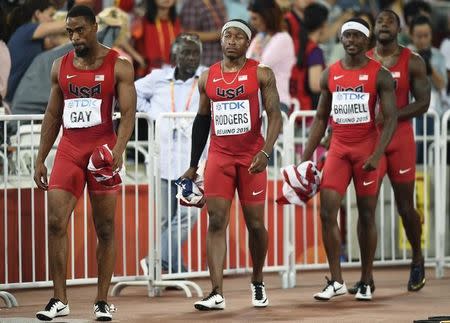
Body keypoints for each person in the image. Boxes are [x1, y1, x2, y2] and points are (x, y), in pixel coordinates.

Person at [33, 5, 136, 321]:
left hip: (100, 153)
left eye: (79, 30)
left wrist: (119, 148)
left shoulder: (119, 65)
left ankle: (102, 300)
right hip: (69, 151)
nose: (74, 37)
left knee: (104, 228)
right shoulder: (59, 66)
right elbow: (53, 115)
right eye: (69, 32)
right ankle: (59, 299)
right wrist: (41, 157)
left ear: (94, 27)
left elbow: (128, 113)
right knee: (55, 223)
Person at [182, 19, 282, 310]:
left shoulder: (261, 74)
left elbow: (275, 115)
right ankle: (216, 291)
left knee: (255, 224)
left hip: (251, 159)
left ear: (247, 43)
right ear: (221, 40)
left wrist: (265, 152)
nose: (232, 41)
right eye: (228, 36)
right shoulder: (208, 77)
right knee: (215, 222)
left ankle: (258, 280)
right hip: (220, 158)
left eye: (239, 37)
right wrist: (192, 164)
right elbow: (202, 120)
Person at [301, 18, 397, 301]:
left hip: (367, 150)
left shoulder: (380, 75)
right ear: (341, 40)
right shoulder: (329, 74)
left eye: (357, 36)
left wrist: (378, 154)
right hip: (339, 150)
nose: (351, 40)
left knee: (366, 215)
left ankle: (366, 280)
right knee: (327, 212)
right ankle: (336, 281)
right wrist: (305, 159)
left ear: (367, 42)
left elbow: (391, 118)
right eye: (347, 36)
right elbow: (320, 118)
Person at [346, 9, 430, 295]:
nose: (383, 24)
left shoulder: (413, 62)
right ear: (373, 30)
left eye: (389, 21)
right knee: (366, 209)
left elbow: (424, 103)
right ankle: (366, 277)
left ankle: (417, 257)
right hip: (370, 142)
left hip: (400, 140)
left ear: (398, 27)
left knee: (406, 208)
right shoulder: (363, 60)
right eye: (379, 21)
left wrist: (393, 114)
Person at [135, 33, 206, 273]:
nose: (191, 58)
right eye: (185, 53)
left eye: (195, 53)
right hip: (163, 160)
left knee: (187, 217)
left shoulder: (206, 78)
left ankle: (156, 259)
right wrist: (151, 113)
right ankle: (175, 269)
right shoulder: (158, 78)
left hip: (194, 163)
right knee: (167, 220)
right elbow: (130, 93)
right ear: (174, 55)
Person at [6, 0, 66, 103]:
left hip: (20, 94)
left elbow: (64, 43)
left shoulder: (37, 39)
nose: (52, 20)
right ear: (38, 14)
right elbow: (63, 26)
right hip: (14, 96)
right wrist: (94, 20)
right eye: (51, 15)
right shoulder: (26, 29)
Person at [246, 0, 295, 114]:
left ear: (266, 17)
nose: (252, 23)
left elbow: (260, 67)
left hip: (276, 102)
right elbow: (245, 63)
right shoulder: (259, 37)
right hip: (256, 101)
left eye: (255, 18)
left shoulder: (283, 39)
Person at [180, 0, 227, 67]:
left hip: (220, 59)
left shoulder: (215, 2)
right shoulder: (192, 4)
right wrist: (218, 34)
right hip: (203, 61)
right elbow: (188, 35)